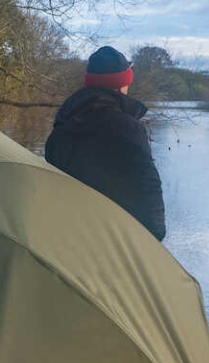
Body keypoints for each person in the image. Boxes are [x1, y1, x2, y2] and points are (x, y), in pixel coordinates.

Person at [45, 46, 166, 241]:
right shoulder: (128, 128)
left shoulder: (63, 124)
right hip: (117, 239)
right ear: (120, 85)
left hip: (69, 236)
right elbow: (148, 186)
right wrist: (155, 237)